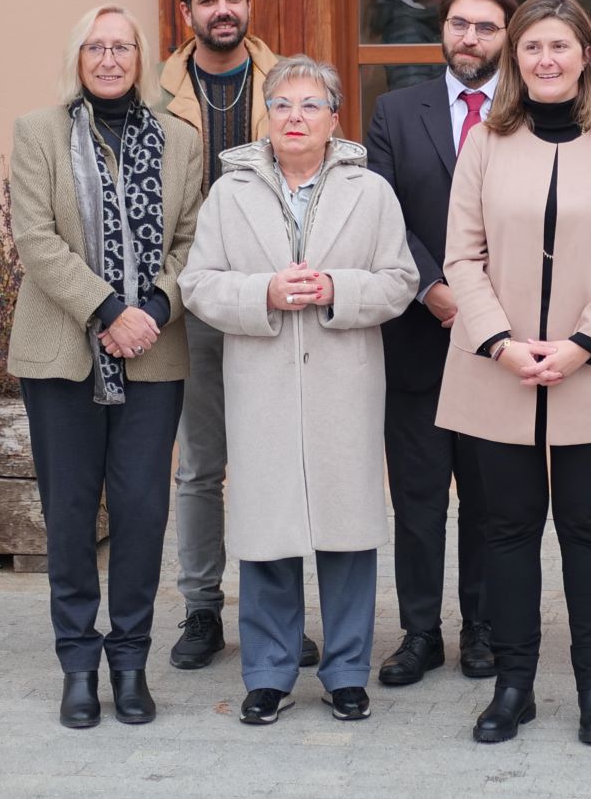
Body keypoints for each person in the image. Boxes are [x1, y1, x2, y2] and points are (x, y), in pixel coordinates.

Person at [435, 0, 591, 746]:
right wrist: (500, 341)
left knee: (589, 528)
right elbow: (460, 255)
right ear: (514, 58)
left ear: (586, 55)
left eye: (560, 46)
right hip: (497, 369)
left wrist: (582, 343)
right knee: (506, 529)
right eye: (532, 48)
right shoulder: (486, 143)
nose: (546, 59)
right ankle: (513, 686)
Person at [180, 56, 419, 726]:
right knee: (268, 534)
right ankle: (269, 674)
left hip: (344, 379)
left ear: (334, 119)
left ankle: (346, 673)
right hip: (260, 383)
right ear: (267, 118)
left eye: (310, 105)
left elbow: (399, 280)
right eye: (282, 104)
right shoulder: (231, 192)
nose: (295, 117)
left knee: (347, 531)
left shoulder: (370, 191)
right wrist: (264, 292)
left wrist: (339, 288)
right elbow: (198, 286)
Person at [8, 4, 202, 728]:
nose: (111, 58)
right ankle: (78, 666)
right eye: (97, 46)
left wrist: (151, 306)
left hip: (154, 353)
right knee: (68, 514)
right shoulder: (39, 133)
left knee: (144, 512)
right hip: (62, 355)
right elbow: (36, 239)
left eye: (123, 46)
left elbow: (192, 240)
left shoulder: (181, 141)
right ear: (78, 57)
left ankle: (129, 663)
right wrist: (106, 311)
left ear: (142, 57)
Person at [155, 0, 317, 671]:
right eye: (207, 0)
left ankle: (279, 615)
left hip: (277, 304)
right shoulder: (157, 94)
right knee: (198, 467)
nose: (222, 9)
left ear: (249, 4)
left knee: (274, 461)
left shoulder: (286, 84)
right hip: (194, 305)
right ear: (185, 12)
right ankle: (199, 610)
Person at [364, 0, 517, 687]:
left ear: (506, 38)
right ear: (442, 29)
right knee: (419, 500)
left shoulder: (529, 112)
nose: (470, 38)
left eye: (486, 27)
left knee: (489, 501)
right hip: (420, 338)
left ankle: (482, 629)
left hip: (501, 340)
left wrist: (482, 306)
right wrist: (434, 290)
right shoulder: (396, 111)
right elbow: (384, 215)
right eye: (459, 24)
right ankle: (420, 632)